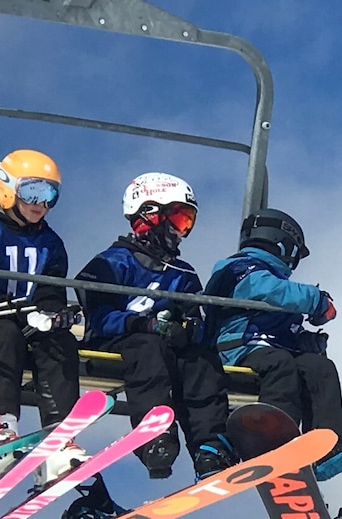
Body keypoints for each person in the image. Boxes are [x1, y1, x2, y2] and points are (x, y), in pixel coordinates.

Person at [75, 172, 236, 481]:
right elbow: (99, 316)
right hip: (118, 342)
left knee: (199, 358)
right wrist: (146, 324)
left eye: (187, 222)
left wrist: (188, 330)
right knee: (147, 347)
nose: (180, 230)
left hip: (166, 346)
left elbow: (197, 318)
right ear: (148, 214)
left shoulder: (183, 273)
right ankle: (156, 437)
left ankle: (210, 446)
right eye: (177, 218)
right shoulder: (112, 263)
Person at [0, 149, 86, 485]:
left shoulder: (50, 242)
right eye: (33, 192)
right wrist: (10, 307)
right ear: (8, 188)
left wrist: (53, 312)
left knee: (59, 341)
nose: (41, 204)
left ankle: (58, 439)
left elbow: (50, 288)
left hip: (29, 319)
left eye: (51, 195)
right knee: (3, 334)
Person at [203, 208, 342, 481]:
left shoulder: (273, 282)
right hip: (238, 349)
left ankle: (326, 446)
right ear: (283, 245)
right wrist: (316, 299)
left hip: (270, 350)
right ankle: (274, 437)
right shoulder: (239, 269)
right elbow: (267, 289)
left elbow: (282, 326)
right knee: (280, 365)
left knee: (318, 367)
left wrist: (307, 342)